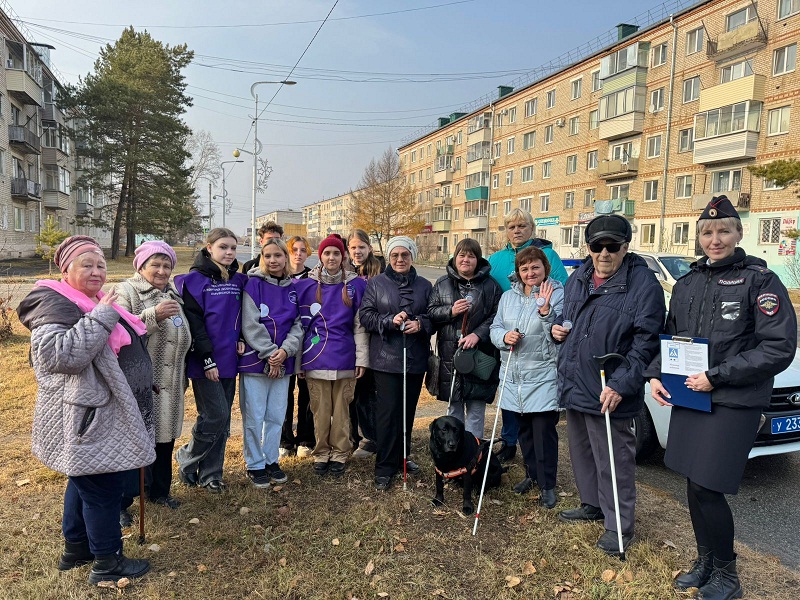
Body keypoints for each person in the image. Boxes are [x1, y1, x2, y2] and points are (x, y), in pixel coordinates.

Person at [647, 196, 796, 599]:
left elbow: (778, 347)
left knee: (709, 486)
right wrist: (657, 375)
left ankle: (728, 577)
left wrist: (717, 376)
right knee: (694, 485)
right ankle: (707, 561)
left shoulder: (760, 281)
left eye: (724, 231)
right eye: (708, 232)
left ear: (738, 233)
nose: (716, 239)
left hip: (733, 400)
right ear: (698, 237)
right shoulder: (688, 282)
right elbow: (671, 337)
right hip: (691, 396)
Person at [16, 235, 154, 584]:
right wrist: (104, 315)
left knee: (83, 483)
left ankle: (76, 549)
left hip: (98, 411)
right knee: (102, 489)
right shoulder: (55, 303)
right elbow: (60, 356)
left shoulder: (88, 300)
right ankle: (107, 564)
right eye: (86, 265)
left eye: (101, 265)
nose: (96, 272)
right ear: (66, 270)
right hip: (88, 414)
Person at [551, 214, 665, 555]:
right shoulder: (579, 277)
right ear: (589, 248)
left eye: (611, 246)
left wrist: (621, 384)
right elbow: (566, 316)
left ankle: (619, 528)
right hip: (577, 382)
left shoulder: (643, 285)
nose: (603, 253)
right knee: (582, 451)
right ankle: (592, 504)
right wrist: (557, 329)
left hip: (609, 388)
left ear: (625, 247)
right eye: (597, 246)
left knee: (614, 459)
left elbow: (647, 342)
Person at [488, 209, 569, 464]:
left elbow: (561, 291)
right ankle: (509, 440)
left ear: (531, 228)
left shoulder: (549, 256)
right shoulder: (496, 259)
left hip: (538, 335)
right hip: (507, 330)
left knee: (535, 404)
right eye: (511, 226)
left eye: (522, 225)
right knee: (510, 389)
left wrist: (548, 315)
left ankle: (537, 463)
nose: (517, 230)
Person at [116, 241, 192, 512]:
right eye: (155, 265)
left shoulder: (172, 292)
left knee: (165, 439)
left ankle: (159, 491)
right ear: (141, 266)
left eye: (166, 265)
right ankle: (122, 503)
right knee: (135, 442)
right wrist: (152, 316)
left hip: (171, 382)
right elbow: (118, 329)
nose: (161, 271)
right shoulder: (126, 291)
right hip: (140, 383)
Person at [174, 228, 247, 493]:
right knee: (215, 414)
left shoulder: (238, 280)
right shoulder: (192, 282)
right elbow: (195, 324)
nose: (229, 252)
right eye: (223, 247)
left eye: (233, 248)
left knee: (223, 420)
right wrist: (207, 360)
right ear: (209, 248)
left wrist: (241, 338)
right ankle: (187, 457)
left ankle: (211, 474)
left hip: (230, 358)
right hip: (205, 361)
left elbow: (241, 316)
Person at [490, 247, 563, 508]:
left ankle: (547, 485)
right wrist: (503, 337)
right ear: (518, 272)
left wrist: (545, 312)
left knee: (543, 431)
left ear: (545, 268)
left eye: (535, 267)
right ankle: (531, 475)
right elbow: (495, 327)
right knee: (524, 432)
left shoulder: (557, 294)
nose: (530, 273)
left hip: (542, 373)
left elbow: (558, 332)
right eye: (524, 268)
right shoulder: (508, 297)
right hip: (513, 375)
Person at [359, 236, 433, 491]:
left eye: (405, 255)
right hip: (386, 359)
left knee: (407, 411)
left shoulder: (424, 285)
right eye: (395, 255)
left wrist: (421, 324)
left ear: (412, 256)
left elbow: (433, 315)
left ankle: (403, 456)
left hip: (414, 359)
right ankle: (384, 466)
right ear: (388, 258)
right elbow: (366, 316)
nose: (400, 259)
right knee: (388, 412)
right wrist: (390, 320)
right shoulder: (377, 283)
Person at [295, 234, 369, 478]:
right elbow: (301, 326)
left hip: (345, 357)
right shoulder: (306, 286)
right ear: (321, 256)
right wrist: (299, 362)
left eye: (336, 253)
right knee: (320, 408)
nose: (331, 257)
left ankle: (339, 453)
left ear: (343, 256)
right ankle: (321, 452)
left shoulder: (356, 286)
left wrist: (361, 359)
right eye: (327, 253)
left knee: (341, 410)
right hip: (315, 358)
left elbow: (359, 326)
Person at [239, 238, 304, 488]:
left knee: (276, 414)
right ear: (262, 258)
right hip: (256, 362)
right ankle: (255, 463)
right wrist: (269, 353)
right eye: (268, 256)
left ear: (286, 258)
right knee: (254, 415)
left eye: (278, 255)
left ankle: (271, 459)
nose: (273, 260)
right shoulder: (253, 284)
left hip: (283, 362)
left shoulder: (292, 288)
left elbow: (298, 324)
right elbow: (250, 323)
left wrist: (285, 352)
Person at [428, 238, 502, 440]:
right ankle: (455, 451)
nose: (466, 259)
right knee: (454, 409)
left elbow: (498, 316)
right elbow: (431, 313)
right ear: (455, 257)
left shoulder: (491, 286)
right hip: (451, 356)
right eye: (462, 255)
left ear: (478, 259)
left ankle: (474, 454)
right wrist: (450, 311)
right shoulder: (442, 283)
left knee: (476, 411)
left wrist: (477, 334)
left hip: (480, 356)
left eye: (471, 255)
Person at [347, 229, 384, 458]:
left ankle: (372, 438)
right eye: (353, 247)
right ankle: (352, 436)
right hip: (348, 339)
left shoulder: (380, 272)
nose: (357, 251)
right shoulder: (345, 272)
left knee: (368, 391)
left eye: (361, 246)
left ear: (369, 248)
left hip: (374, 338)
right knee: (352, 391)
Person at [280, 235, 315, 459]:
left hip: (308, 341)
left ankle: (305, 438)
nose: (298, 253)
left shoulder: (313, 278)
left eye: (303, 250)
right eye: (294, 249)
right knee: (283, 393)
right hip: (284, 341)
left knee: (306, 392)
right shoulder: (279, 277)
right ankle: (285, 440)